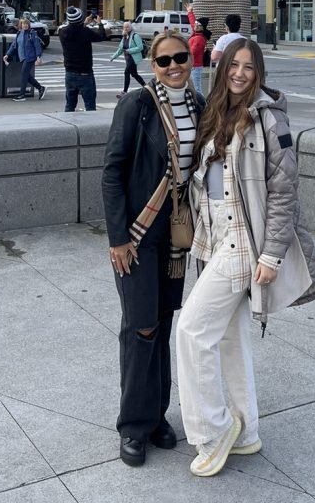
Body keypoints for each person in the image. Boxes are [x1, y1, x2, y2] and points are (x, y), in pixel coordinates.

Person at [176, 38, 315, 477]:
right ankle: (246, 430)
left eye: (249, 67)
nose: (240, 73)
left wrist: (273, 257)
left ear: (259, 72)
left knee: (191, 329)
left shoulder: (269, 119)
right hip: (215, 237)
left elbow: (284, 193)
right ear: (223, 70)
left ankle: (212, 429)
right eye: (234, 66)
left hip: (245, 243)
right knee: (228, 335)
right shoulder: (216, 113)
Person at [102, 33, 205, 468]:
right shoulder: (137, 105)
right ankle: (133, 425)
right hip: (139, 234)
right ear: (152, 64)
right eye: (164, 61)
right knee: (140, 327)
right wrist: (117, 238)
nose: (174, 66)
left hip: (177, 234)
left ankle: (158, 415)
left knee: (164, 324)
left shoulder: (199, 106)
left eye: (180, 58)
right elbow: (111, 173)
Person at [59, 6, 108, 111]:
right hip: (85, 73)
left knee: (70, 104)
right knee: (90, 105)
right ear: (80, 19)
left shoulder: (62, 32)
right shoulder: (86, 32)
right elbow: (101, 36)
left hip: (70, 73)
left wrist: (83, 23)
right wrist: (99, 23)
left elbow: (75, 31)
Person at [3, 17, 46, 102]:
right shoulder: (19, 33)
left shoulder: (32, 33)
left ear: (28, 25)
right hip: (22, 57)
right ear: (21, 25)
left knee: (23, 74)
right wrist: (7, 54)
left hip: (30, 57)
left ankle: (22, 95)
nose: (25, 25)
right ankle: (41, 88)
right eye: (23, 24)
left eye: (26, 24)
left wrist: (38, 56)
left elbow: (37, 45)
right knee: (26, 75)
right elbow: (14, 45)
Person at [111, 21, 146, 97]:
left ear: (131, 27)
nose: (126, 28)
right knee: (134, 74)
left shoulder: (135, 36)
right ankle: (146, 87)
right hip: (128, 58)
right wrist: (113, 57)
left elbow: (140, 47)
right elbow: (121, 49)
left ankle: (124, 92)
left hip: (133, 58)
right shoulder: (124, 36)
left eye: (127, 27)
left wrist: (129, 51)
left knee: (126, 73)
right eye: (124, 27)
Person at [186, 3, 207, 94]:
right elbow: (192, 22)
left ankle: (202, 106)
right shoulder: (197, 34)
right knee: (194, 87)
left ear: (202, 28)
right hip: (193, 66)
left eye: (198, 25)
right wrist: (190, 12)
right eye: (196, 24)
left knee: (197, 89)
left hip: (195, 67)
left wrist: (182, 54)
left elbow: (192, 52)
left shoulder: (199, 38)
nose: (195, 26)